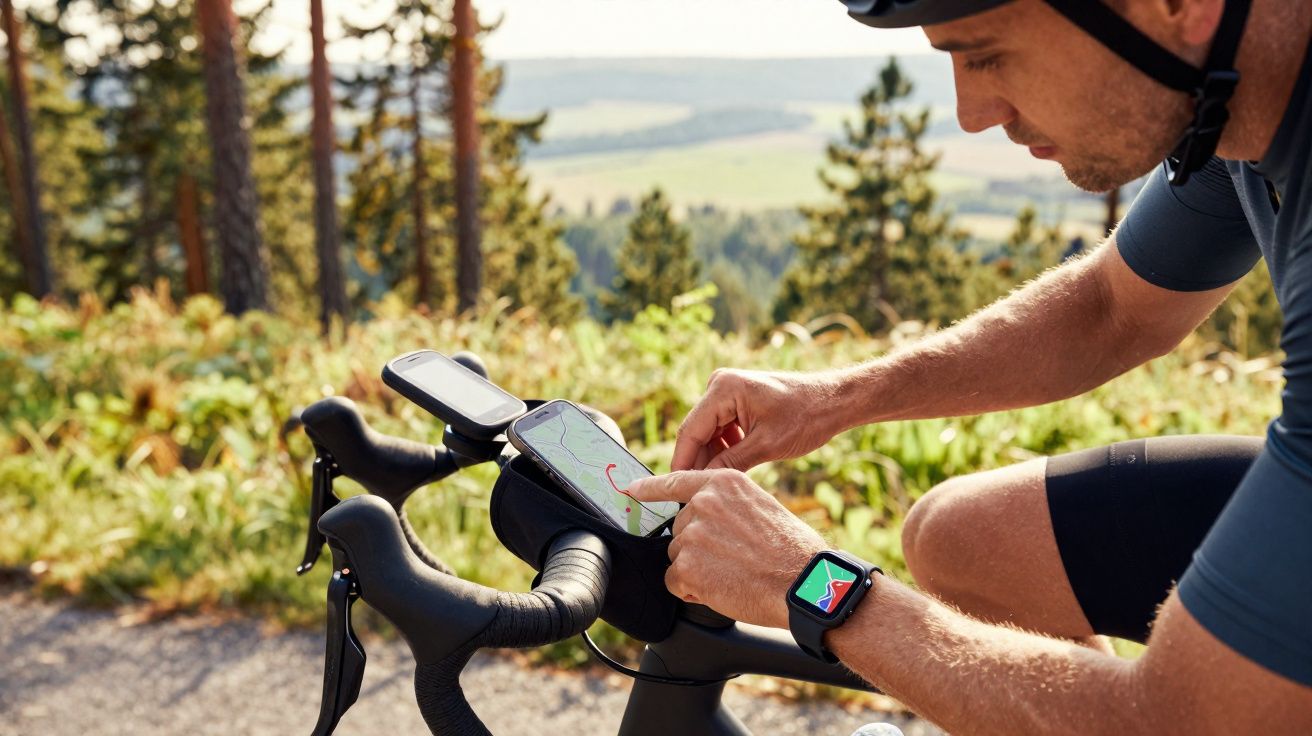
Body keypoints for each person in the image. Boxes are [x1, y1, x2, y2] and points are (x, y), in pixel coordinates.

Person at [626, 1, 1312, 732]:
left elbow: (1174, 721)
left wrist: (813, 586)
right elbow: (1110, 309)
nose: (972, 113)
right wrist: (834, 399)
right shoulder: (1231, 103)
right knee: (963, 540)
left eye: (986, 56)